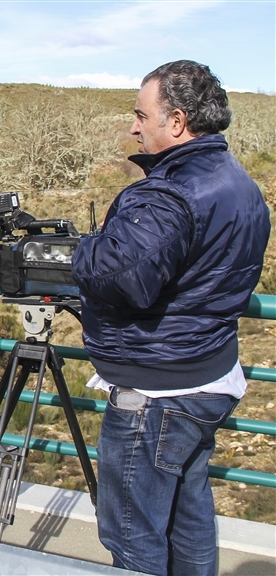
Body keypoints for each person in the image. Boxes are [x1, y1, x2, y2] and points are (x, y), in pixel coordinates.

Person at [72, 60, 270, 576]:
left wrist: (81, 250)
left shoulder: (168, 194)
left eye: (142, 114)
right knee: (189, 516)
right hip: (209, 375)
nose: (134, 126)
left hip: (157, 393)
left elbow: (121, 279)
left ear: (177, 122)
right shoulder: (238, 182)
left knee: (132, 536)